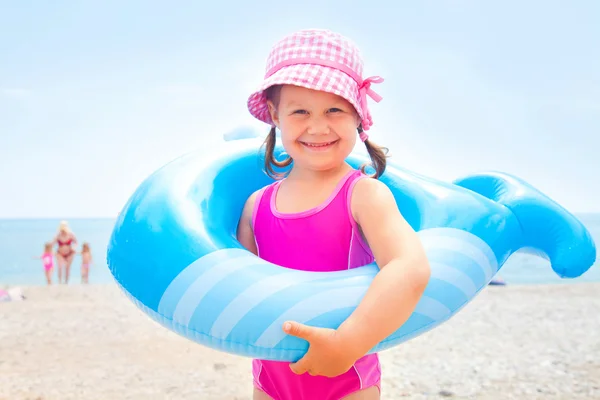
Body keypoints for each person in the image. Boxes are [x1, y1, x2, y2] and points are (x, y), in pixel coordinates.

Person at [237, 29, 431, 400]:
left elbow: (409, 266)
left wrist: (349, 342)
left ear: (358, 114)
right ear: (276, 114)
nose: (318, 126)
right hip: (270, 376)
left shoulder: (364, 195)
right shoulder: (255, 206)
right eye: (300, 111)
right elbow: (240, 285)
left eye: (334, 109)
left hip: (347, 375)